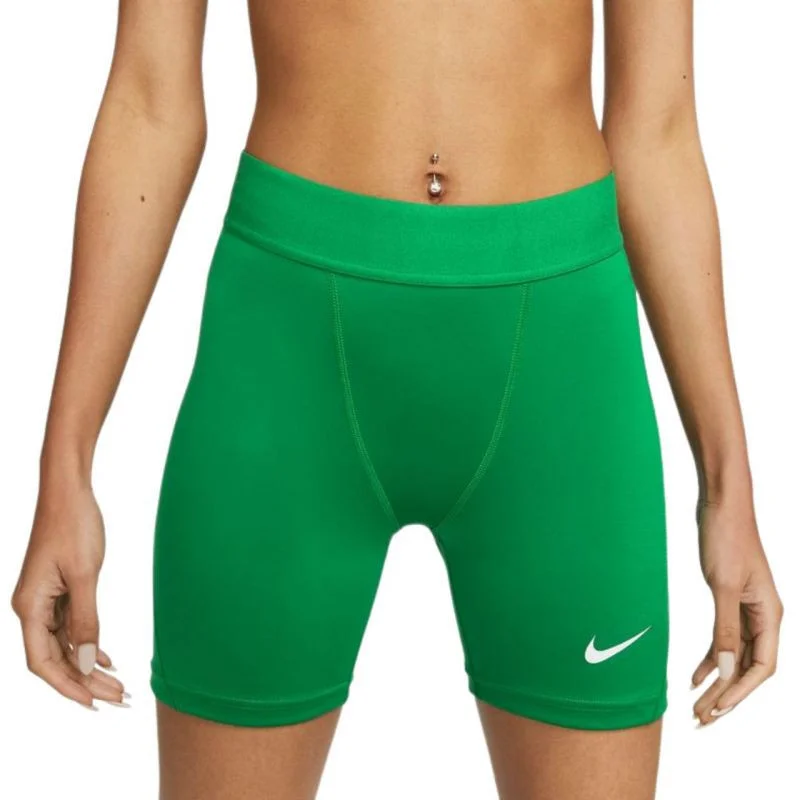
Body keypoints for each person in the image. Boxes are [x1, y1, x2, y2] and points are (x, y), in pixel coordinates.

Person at [11, 1, 784, 798]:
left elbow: (658, 129)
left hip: (562, 379)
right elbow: (150, 98)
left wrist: (729, 489)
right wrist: (65, 466)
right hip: (286, 358)